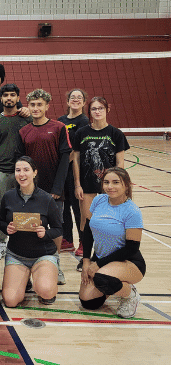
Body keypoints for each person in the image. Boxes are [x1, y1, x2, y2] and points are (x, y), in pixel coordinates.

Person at [16, 89, 71, 286]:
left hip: (54, 188)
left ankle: (56, 265)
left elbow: (66, 158)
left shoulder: (58, 127)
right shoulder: (24, 131)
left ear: (47, 106)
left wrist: (57, 187)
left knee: (55, 228)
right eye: (33, 105)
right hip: (30, 190)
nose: (36, 108)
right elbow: (22, 162)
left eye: (40, 104)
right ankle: (29, 266)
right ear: (28, 107)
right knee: (30, 226)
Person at [78, 168, 144, 318]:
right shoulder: (99, 200)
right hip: (102, 259)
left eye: (116, 182)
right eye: (106, 182)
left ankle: (130, 295)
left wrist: (99, 265)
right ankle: (113, 284)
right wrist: (87, 261)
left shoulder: (132, 211)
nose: (110, 187)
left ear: (126, 185)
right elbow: (88, 231)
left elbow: (132, 248)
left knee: (102, 278)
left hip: (128, 260)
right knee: (89, 302)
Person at [72, 96, 129, 271]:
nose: (97, 112)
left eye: (100, 108)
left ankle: (107, 255)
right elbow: (75, 160)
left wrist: (119, 186)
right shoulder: (81, 133)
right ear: (89, 112)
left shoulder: (116, 133)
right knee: (87, 220)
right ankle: (86, 256)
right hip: (87, 183)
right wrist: (77, 184)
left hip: (109, 186)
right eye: (94, 109)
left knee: (108, 220)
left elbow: (120, 164)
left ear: (107, 110)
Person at [0, 156, 62, 307]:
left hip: (43, 254)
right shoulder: (8, 197)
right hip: (17, 255)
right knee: (10, 300)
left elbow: (58, 229)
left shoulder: (46, 199)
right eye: (18, 170)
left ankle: (47, 275)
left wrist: (45, 233)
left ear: (34, 173)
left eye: (26, 170)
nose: (22, 174)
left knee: (45, 291)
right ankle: (25, 278)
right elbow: (1, 221)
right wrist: (6, 229)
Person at [0, 84, 32, 258]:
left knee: (22, 206)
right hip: (0, 172)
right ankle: (0, 242)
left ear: (18, 98)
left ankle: (19, 242)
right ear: (1, 99)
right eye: (6, 95)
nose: (9, 98)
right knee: (0, 208)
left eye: (13, 95)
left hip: (21, 172)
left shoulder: (26, 119)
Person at [57, 89, 90, 254]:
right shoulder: (60, 120)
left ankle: (84, 242)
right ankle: (67, 240)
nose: (75, 99)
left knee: (79, 208)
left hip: (77, 171)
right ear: (68, 101)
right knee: (63, 207)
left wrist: (63, 162)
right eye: (72, 97)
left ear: (84, 103)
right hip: (62, 171)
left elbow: (76, 150)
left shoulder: (84, 122)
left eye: (79, 97)